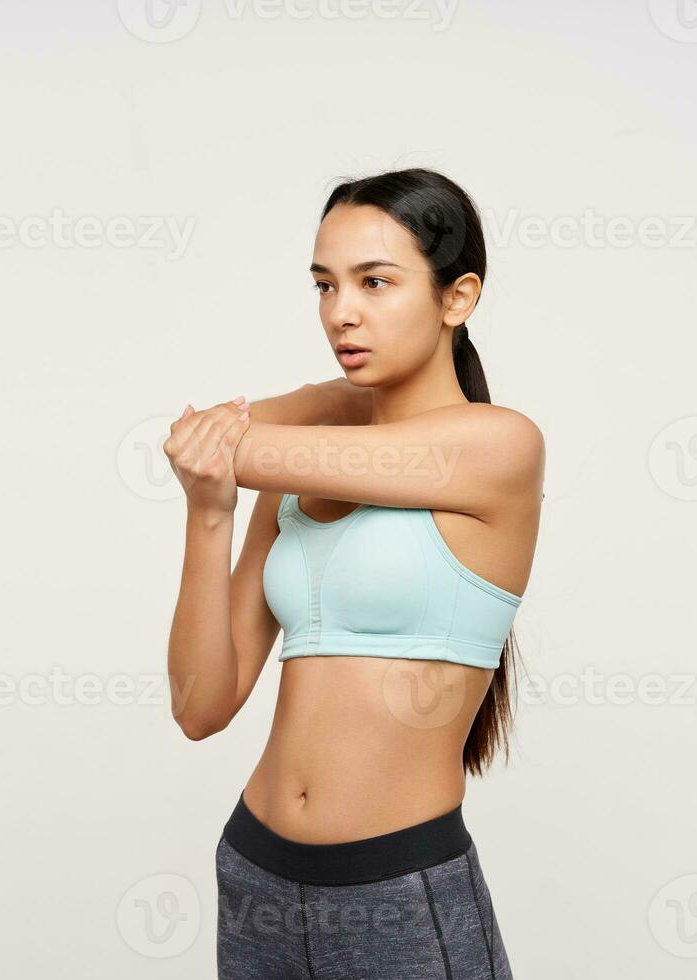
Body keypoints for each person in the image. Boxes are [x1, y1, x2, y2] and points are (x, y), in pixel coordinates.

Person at [163, 168, 543, 978]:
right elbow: (200, 707)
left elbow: (217, 436)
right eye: (325, 285)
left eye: (376, 282)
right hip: (253, 876)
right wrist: (210, 517)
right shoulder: (300, 482)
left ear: (458, 297)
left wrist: (321, 402)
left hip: (398, 892)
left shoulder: (498, 446)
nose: (342, 312)